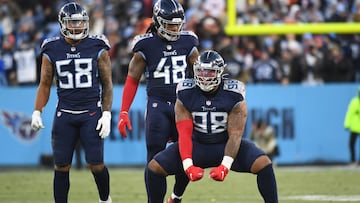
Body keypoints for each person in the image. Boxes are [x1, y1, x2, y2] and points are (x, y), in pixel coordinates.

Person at [147, 50, 278, 202]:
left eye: (210, 72)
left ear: (220, 72)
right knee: (154, 168)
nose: (204, 77)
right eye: (201, 71)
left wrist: (225, 166)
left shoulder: (234, 94)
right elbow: (184, 134)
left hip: (226, 145)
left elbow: (235, 134)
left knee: (264, 165)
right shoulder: (185, 92)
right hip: (197, 145)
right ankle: (172, 198)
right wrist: (188, 165)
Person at [116, 0, 199, 202]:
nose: (175, 28)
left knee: (188, 155)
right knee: (155, 158)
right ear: (159, 22)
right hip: (158, 105)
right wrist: (124, 111)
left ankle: (176, 196)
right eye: (170, 24)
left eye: (178, 24)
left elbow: (200, 74)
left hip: (183, 106)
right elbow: (132, 79)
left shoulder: (189, 41)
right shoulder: (145, 44)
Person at [30, 2, 113, 203]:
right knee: (61, 166)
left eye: (80, 23)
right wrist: (37, 111)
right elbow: (45, 84)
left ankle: (105, 200)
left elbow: (107, 84)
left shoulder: (97, 46)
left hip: (91, 113)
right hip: (65, 114)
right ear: (62, 23)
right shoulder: (52, 48)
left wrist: (107, 113)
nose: (76, 27)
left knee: (96, 164)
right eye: (72, 23)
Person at [344, 88, 360, 166]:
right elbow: (349, 113)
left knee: (351, 144)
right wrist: (347, 124)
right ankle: (353, 161)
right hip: (355, 128)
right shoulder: (354, 102)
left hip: (356, 127)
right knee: (351, 144)